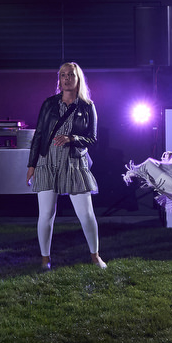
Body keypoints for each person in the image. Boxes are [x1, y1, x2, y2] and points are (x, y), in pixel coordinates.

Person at [26, 62, 104, 270]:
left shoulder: (87, 106)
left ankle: (95, 256)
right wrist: (31, 165)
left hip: (74, 162)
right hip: (47, 162)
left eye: (71, 75)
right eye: (63, 75)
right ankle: (45, 260)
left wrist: (72, 138)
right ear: (59, 80)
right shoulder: (49, 104)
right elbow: (39, 134)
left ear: (78, 79)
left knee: (86, 214)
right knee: (46, 214)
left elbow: (93, 138)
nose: (67, 78)